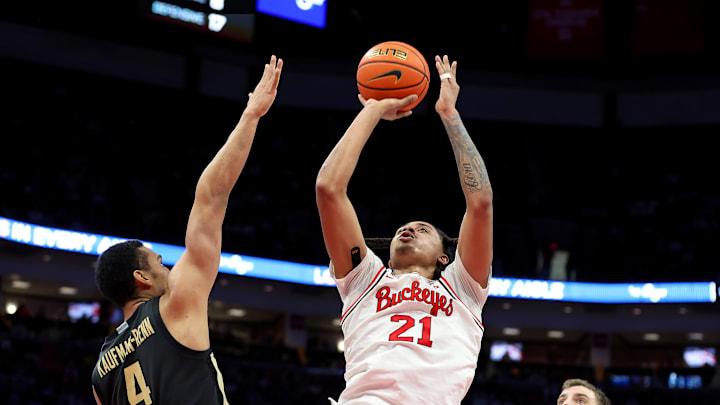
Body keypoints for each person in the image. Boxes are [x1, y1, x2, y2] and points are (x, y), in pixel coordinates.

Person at [91, 55, 283, 405]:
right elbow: (213, 195)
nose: (167, 268)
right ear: (142, 278)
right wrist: (251, 115)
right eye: (159, 262)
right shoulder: (175, 303)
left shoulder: (100, 372)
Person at [316, 55, 493, 404]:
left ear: (446, 255)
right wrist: (373, 110)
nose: (408, 229)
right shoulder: (363, 280)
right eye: (405, 228)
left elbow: (481, 202)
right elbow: (328, 189)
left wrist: (449, 114)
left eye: (422, 228)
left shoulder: (464, 288)